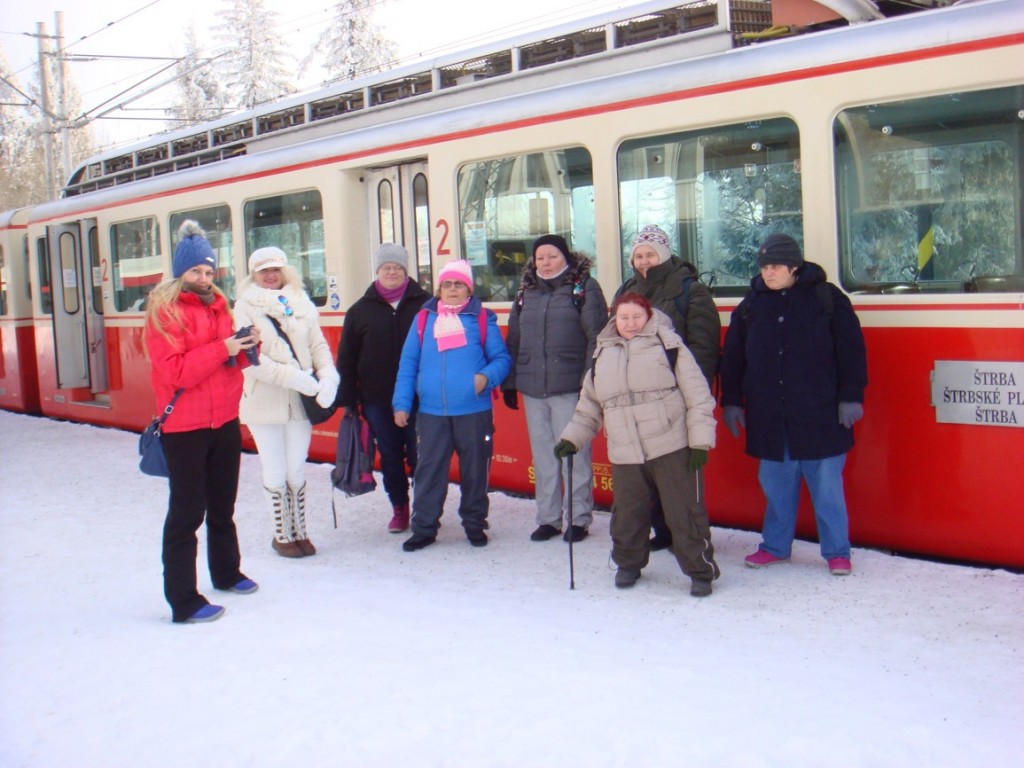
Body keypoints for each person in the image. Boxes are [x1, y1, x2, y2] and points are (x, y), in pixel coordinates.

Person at [720, 232, 867, 576]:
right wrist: (731, 401)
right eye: (764, 266)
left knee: (827, 489)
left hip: (821, 413)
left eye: (776, 266)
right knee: (776, 488)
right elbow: (734, 358)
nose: (768, 273)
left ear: (794, 267)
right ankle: (775, 547)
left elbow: (851, 352)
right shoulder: (752, 304)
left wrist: (851, 396)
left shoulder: (827, 299)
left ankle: (837, 551)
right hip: (771, 416)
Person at [555, 292, 720, 597]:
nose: (630, 323)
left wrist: (700, 443)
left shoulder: (669, 345)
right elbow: (589, 407)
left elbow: (698, 396)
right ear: (614, 320)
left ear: (648, 316)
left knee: (684, 512)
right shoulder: (602, 354)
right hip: (625, 450)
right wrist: (571, 438)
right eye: (624, 317)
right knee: (628, 515)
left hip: (671, 445)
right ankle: (628, 564)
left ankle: (700, 570)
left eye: (636, 317)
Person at [144, 220, 260, 624]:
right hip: (185, 427)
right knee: (187, 513)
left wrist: (245, 347)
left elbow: (227, 364)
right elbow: (176, 371)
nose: (204, 278)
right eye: (195, 271)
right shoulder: (164, 311)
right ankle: (183, 601)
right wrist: (222, 348)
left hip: (224, 420)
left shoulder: (219, 306)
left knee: (223, 504)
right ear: (181, 271)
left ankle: (227, 572)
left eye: (209, 271)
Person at [392, 259, 512, 551]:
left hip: (474, 411)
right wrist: (402, 403)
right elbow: (408, 364)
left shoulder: (482, 319)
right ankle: (424, 528)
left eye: (459, 284)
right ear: (439, 289)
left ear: (469, 289)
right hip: (431, 412)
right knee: (429, 472)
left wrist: (485, 377)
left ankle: (474, 524)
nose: (453, 289)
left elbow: (502, 359)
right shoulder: (424, 320)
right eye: (447, 284)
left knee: (475, 471)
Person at [616, 224, 721, 551]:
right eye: (639, 256)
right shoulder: (627, 291)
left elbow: (703, 345)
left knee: (676, 472)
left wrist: (693, 392)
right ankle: (662, 531)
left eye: (650, 254)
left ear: (663, 254)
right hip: (636, 397)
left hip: (676, 395)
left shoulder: (690, 290)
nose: (644, 261)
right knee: (645, 466)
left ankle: (687, 538)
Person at [501, 234, 608, 543]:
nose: (546, 263)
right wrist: (510, 382)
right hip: (533, 388)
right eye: (540, 258)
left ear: (566, 258)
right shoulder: (525, 292)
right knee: (544, 458)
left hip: (570, 386)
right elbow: (514, 338)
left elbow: (597, 336)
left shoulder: (584, 288)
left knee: (574, 453)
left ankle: (578, 518)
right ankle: (548, 518)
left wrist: (590, 380)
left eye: (552, 256)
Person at [234, 246, 338, 558]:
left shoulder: (301, 302)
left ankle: (300, 532)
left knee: (296, 469)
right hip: (264, 401)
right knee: (275, 469)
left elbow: (318, 346)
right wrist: (294, 378)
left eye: (275, 269)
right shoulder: (244, 306)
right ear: (254, 274)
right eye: (264, 270)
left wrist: (328, 376)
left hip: (300, 402)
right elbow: (250, 358)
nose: (270, 275)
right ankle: (282, 535)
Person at [336, 243, 429, 533]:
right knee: (390, 454)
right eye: (386, 267)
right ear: (377, 271)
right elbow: (347, 358)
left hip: (419, 398)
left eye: (398, 267)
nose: (392, 272)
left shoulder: (426, 305)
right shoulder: (359, 311)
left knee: (420, 455)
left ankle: (424, 508)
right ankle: (400, 507)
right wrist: (349, 399)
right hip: (377, 398)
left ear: (406, 271)